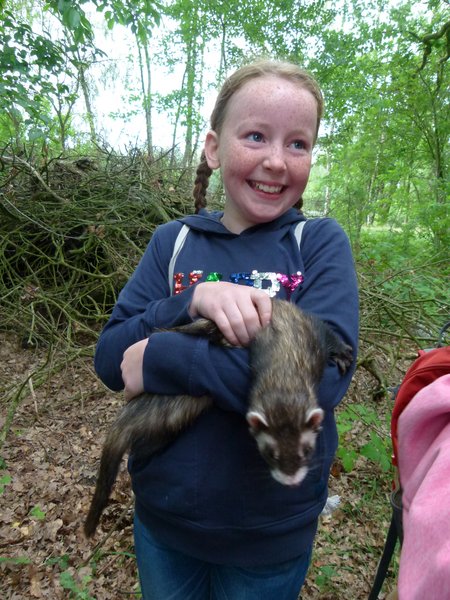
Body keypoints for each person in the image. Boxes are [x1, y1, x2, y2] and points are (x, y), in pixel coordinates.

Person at [94, 59, 359, 600]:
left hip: (272, 535)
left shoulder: (318, 244)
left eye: (298, 144)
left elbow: (323, 383)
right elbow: (111, 360)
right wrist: (189, 300)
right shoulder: (173, 244)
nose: (275, 160)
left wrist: (161, 359)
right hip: (165, 522)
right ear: (214, 148)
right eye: (256, 136)